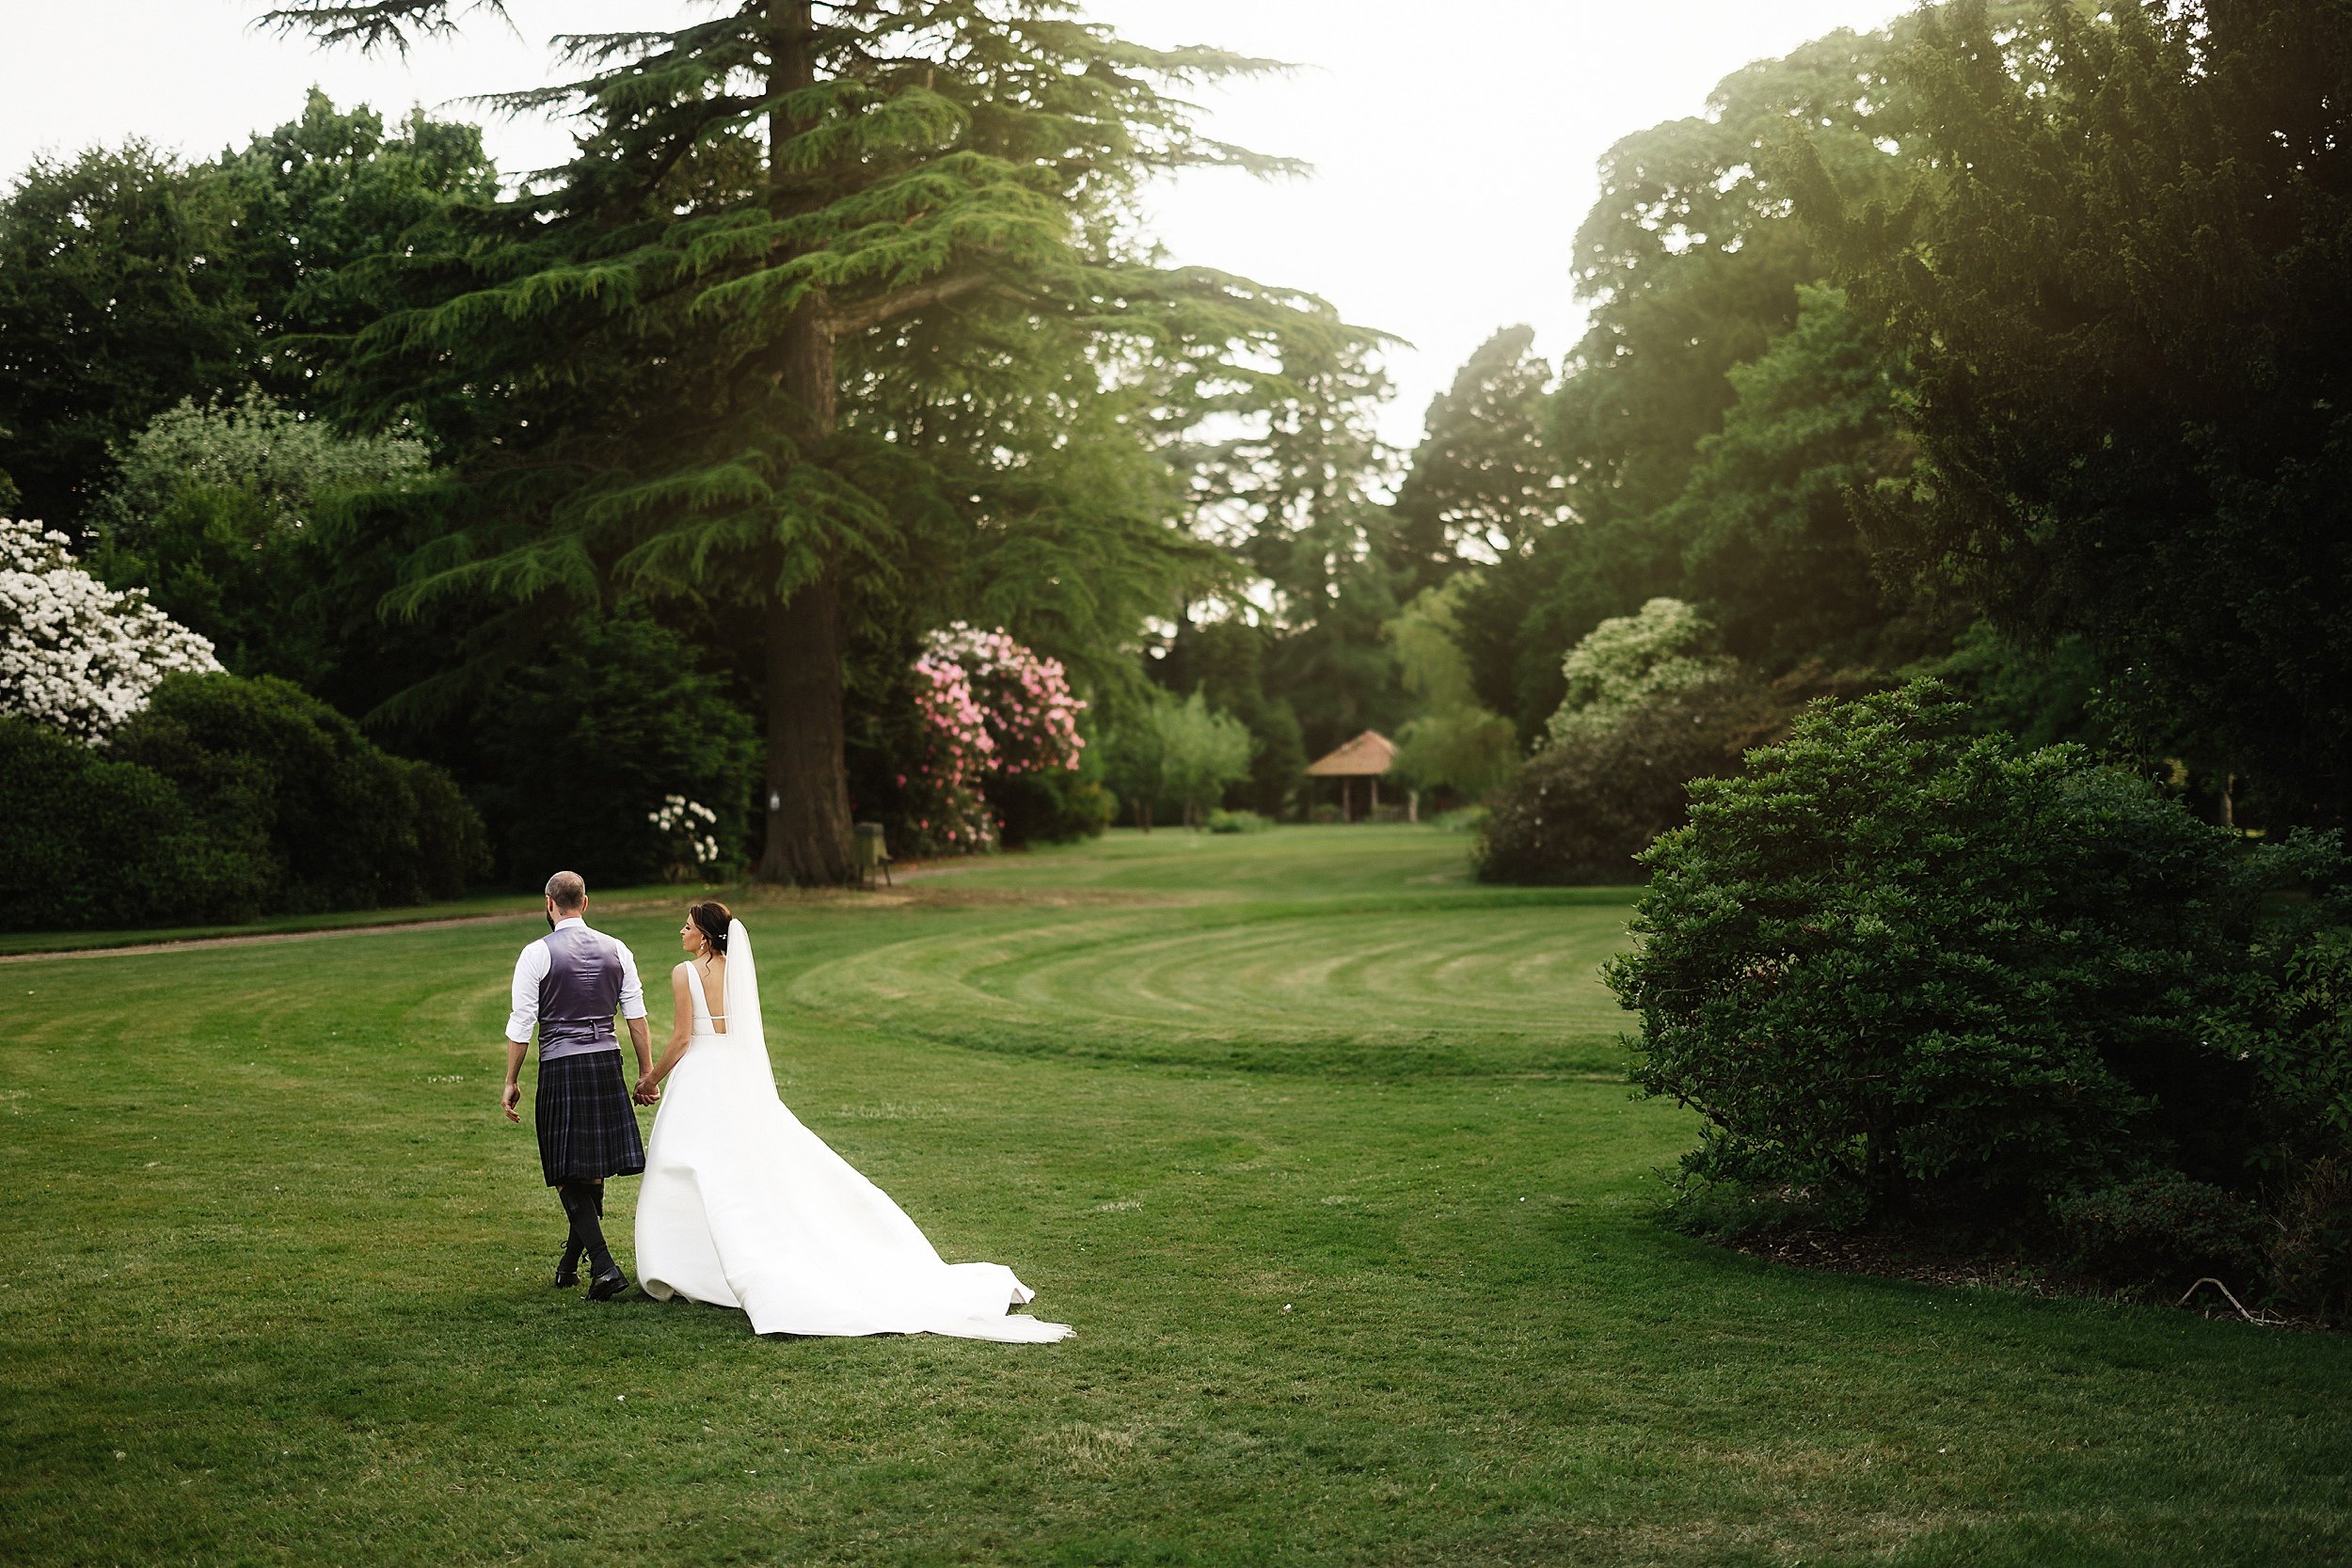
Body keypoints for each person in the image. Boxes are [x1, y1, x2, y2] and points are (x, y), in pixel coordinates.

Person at [632, 901, 1071, 1341]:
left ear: (704, 936)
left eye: (687, 927)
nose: (681, 932)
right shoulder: (739, 970)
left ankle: (687, 1263)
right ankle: (713, 1258)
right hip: (737, 1079)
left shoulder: (683, 973)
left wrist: (651, 1077)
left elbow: (684, 1037)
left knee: (688, 1164)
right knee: (740, 1166)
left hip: (702, 1078)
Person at [501, 870, 656, 1301]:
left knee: (566, 1169)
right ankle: (571, 1263)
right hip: (606, 1061)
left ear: (549, 904)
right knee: (587, 1166)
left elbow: (521, 1024)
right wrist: (645, 1072)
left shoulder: (536, 954)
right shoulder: (618, 949)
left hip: (561, 1065)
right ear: (584, 903)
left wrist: (511, 1081)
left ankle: (604, 1265)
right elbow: (636, 1017)